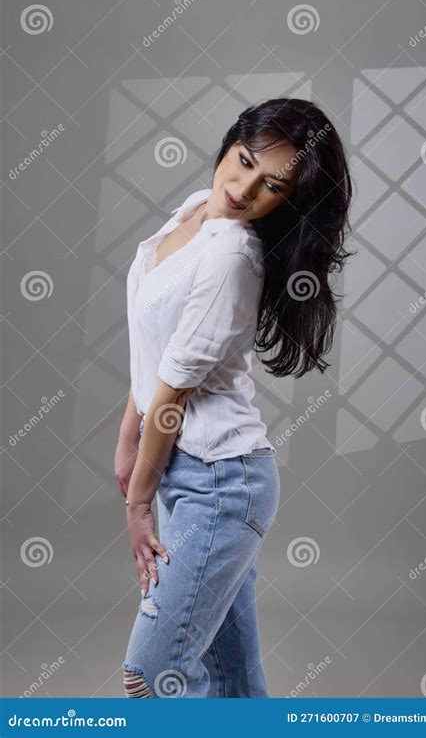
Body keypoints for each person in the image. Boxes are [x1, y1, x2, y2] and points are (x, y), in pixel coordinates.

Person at [115, 97, 353, 698]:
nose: (243, 189)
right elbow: (157, 351)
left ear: (290, 198)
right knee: (232, 681)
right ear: (228, 145)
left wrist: (138, 503)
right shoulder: (196, 211)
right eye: (242, 161)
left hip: (218, 483)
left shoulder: (231, 256)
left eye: (272, 184)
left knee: (152, 673)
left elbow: (174, 390)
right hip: (186, 471)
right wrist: (128, 438)